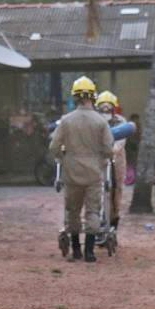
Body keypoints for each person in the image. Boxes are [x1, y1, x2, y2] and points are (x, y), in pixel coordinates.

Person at [50, 76, 114, 262]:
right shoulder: (100, 121)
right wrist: (101, 160)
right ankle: (90, 252)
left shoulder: (66, 121)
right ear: (93, 96)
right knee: (93, 211)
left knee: (73, 211)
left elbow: (54, 146)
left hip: (71, 171)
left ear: (75, 97)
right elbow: (109, 149)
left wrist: (64, 158)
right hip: (94, 172)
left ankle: (76, 249)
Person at [95, 91, 127, 230]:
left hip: (116, 159)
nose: (106, 108)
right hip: (96, 159)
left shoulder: (120, 122)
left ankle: (114, 219)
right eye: (103, 105)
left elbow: (120, 142)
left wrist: (112, 151)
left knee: (116, 188)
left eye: (109, 105)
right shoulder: (94, 120)